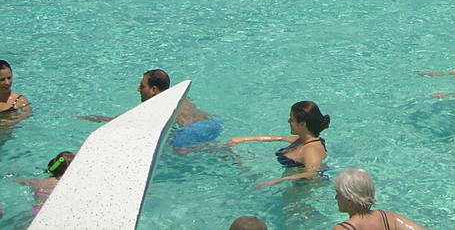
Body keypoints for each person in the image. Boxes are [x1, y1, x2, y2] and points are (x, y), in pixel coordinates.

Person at [77, 69, 220, 147]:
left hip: (190, 133)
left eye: (142, 86)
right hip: (212, 124)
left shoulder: (156, 107)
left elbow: (118, 121)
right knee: (214, 148)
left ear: (154, 90)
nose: (138, 89)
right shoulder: (181, 98)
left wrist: (88, 118)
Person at [228, 101, 330, 187]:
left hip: (298, 191)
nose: (288, 121)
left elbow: (312, 173)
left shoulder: (311, 150)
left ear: (302, 124)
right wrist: (244, 139)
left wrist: (277, 181)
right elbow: (279, 138)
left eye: (292, 119)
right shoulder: (302, 140)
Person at [332, 168, 429, 230]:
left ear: (350, 201)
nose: (336, 198)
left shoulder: (342, 228)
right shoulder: (387, 217)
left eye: (338, 194)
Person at [10, 150, 73, 216]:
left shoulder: (40, 182)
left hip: (36, 210)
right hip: (54, 212)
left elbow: (20, 181)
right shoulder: (67, 184)